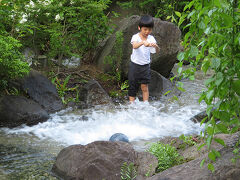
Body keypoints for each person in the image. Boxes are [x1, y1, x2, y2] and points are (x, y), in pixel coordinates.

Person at [128, 15, 160, 103]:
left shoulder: (151, 38)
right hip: (134, 65)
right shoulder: (135, 37)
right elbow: (134, 46)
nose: (147, 32)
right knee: (132, 86)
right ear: (139, 28)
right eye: (145, 29)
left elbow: (156, 51)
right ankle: (132, 105)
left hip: (145, 66)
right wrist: (143, 42)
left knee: (144, 86)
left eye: (149, 30)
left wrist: (156, 46)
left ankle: (146, 104)